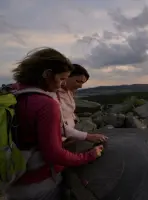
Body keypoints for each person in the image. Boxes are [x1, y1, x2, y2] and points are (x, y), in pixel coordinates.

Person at [4, 47, 103, 200]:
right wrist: (89, 156)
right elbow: (54, 154)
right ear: (47, 74)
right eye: (62, 78)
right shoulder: (46, 104)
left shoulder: (13, 91)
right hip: (38, 181)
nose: (61, 85)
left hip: (12, 175)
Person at [56, 63, 108, 143]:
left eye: (82, 83)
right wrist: (87, 136)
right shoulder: (54, 95)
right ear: (66, 77)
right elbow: (58, 127)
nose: (80, 86)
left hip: (71, 133)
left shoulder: (69, 92)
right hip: (62, 139)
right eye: (78, 81)